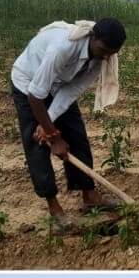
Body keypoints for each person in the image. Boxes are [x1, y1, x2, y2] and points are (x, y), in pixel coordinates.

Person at [11, 18, 126, 233]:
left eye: (112, 52)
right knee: (37, 145)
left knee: (77, 136)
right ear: (93, 36)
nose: (106, 55)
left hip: (57, 87)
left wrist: (49, 123)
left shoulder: (102, 58)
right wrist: (52, 137)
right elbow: (36, 95)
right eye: (104, 49)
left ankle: (90, 196)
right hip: (28, 84)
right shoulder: (62, 48)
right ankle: (54, 208)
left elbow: (70, 92)